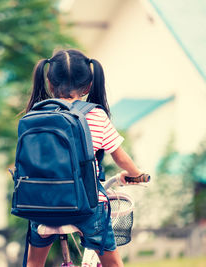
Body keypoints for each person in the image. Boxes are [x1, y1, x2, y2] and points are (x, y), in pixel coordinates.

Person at [23, 49, 143, 267]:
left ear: (49, 83)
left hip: (42, 206)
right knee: (114, 264)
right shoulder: (96, 116)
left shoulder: (34, 115)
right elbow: (121, 157)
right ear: (89, 86)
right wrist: (136, 175)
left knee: (33, 264)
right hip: (86, 208)